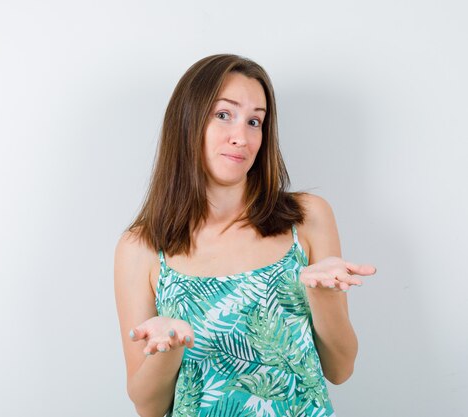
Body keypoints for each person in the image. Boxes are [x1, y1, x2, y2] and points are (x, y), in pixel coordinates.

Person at [114, 54, 376, 417]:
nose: (242, 137)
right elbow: (148, 407)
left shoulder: (308, 218)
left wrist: (323, 296)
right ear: (187, 122)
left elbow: (340, 369)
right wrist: (168, 348)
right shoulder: (141, 247)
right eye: (224, 115)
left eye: (255, 121)